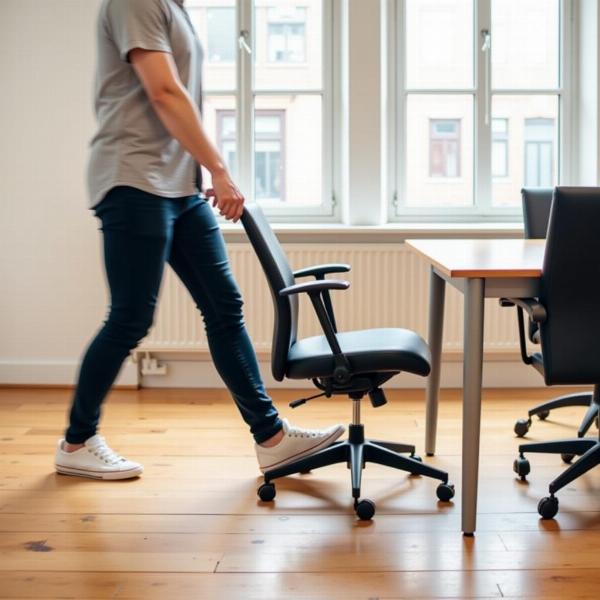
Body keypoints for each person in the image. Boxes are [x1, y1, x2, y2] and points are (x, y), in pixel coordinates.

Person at [54, 0, 344, 480]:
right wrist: (218, 167)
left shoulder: (175, 7)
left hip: (178, 187)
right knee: (131, 318)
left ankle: (271, 438)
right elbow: (165, 92)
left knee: (224, 306)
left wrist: (197, 167)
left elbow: (175, 99)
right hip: (133, 180)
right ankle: (77, 441)